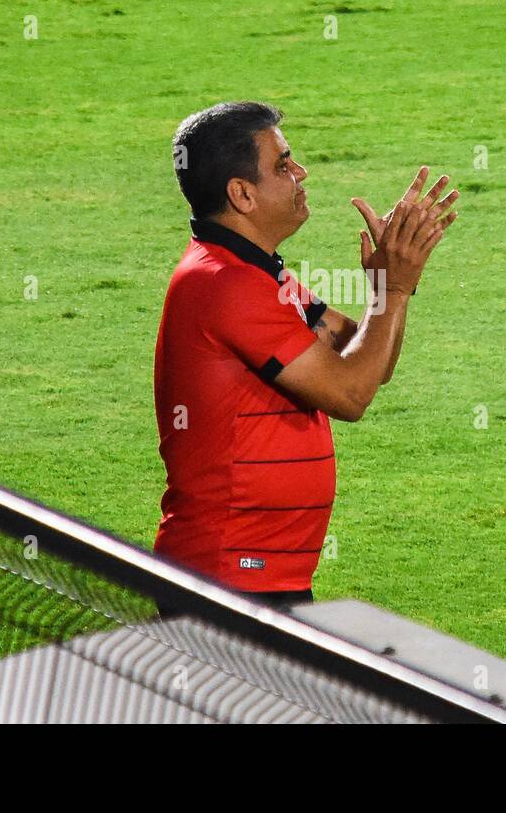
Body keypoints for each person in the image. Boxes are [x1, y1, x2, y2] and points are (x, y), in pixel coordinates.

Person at [152, 101, 457, 616]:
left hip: (256, 574)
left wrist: (389, 288)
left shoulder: (257, 275)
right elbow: (350, 393)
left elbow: (371, 363)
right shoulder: (225, 285)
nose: (300, 173)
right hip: (228, 581)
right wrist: (395, 290)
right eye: (282, 164)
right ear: (241, 194)